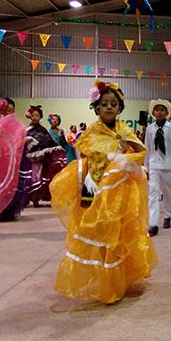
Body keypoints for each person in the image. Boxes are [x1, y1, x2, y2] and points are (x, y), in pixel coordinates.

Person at [49, 80, 157, 303]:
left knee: (118, 235)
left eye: (113, 104)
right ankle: (105, 279)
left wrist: (123, 159)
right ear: (97, 107)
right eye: (104, 104)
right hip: (94, 188)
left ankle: (118, 280)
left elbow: (140, 149)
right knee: (98, 235)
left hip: (119, 191)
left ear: (119, 109)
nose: (109, 107)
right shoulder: (90, 132)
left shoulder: (123, 129)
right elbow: (83, 156)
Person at [145, 99, 171, 236]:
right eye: (157, 109)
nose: (159, 112)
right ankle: (153, 223)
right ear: (153, 113)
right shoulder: (150, 129)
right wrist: (146, 168)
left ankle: (167, 215)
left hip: (168, 165)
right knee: (153, 193)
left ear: (167, 113)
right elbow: (148, 149)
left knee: (168, 192)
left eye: (162, 109)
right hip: (154, 164)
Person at [26, 105, 67, 207]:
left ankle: (35, 199)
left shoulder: (43, 130)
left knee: (37, 178)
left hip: (39, 160)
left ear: (40, 118)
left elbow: (49, 142)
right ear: (30, 116)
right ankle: (26, 198)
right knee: (28, 178)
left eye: (37, 115)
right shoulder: (27, 130)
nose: (35, 117)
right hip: (27, 160)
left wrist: (55, 149)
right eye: (33, 115)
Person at [0, 98, 28, 221]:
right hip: (1, 160)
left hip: (15, 160)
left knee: (13, 185)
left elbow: (20, 139)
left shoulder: (18, 126)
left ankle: (8, 211)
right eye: (7, 110)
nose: (9, 112)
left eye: (11, 110)